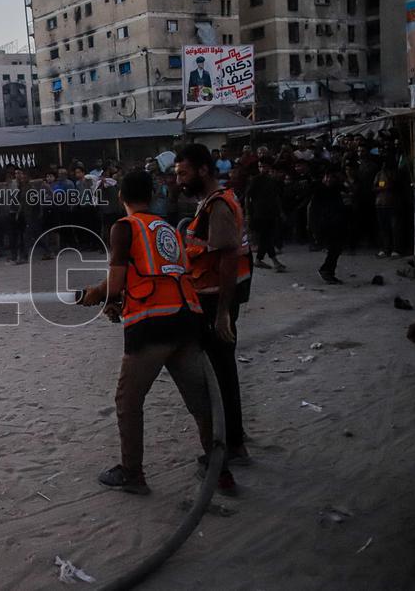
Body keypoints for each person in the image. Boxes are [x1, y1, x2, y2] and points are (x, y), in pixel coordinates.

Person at [78, 170, 234, 495]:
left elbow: (118, 282)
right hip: (186, 319)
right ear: (153, 196)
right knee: (201, 402)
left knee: (128, 400)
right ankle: (219, 469)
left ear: (120, 196)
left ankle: (132, 473)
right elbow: (157, 273)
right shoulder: (168, 228)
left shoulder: (124, 227)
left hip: (151, 324)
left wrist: (98, 295)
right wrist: (113, 299)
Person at [175, 144, 253, 464]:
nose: (179, 179)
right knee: (223, 372)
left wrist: (222, 314)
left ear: (204, 170)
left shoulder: (218, 206)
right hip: (210, 298)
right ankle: (235, 436)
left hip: (215, 302)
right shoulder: (209, 203)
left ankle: (232, 446)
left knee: (220, 375)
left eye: (184, 172)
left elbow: (229, 257)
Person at [245, 159, 286, 272]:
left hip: (271, 212)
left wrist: (280, 211)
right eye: (260, 166)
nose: (262, 168)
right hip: (259, 213)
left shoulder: (273, 181)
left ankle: (258, 260)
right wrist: (249, 213)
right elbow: (248, 197)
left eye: (264, 166)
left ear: (269, 167)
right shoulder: (256, 180)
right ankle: (275, 261)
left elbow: (276, 197)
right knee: (266, 237)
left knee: (266, 238)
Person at [312, 167, 348, 284]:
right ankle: (327, 270)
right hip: (327, 224)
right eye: (326, 177)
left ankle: (328, 271)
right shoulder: (320, 191)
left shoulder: (336, 189)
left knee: (336, 249)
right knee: (335, 248)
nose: (328, 179)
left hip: (337, 223)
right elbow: (313, 211)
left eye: (330, 177)